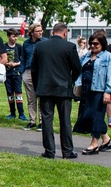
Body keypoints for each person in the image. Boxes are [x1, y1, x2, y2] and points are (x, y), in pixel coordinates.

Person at [31, 22, 82, 159]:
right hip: (63, 88)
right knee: (65, 120)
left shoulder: (40, 46)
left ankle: (49, 150)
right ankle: (67, 151)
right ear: (65, 33)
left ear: (52, 32)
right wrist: (70, 81)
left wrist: (37, 86)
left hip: (45, 88)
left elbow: (34, 69)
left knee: (47, 120)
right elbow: (77, 68)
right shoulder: (69, 47)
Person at [74, 34, 111, 155]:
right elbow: (78, 67)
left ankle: (94, 144)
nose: (93, 46)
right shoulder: (87, 56)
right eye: (91, 43)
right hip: (86, 90)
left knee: (96, 116)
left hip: (99, 90)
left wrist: (108, 92)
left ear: (102, 44)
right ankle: (106, 139)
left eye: (96, 44)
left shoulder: (108, 57)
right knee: (87, 115)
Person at [21, 23, 44, 130]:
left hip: (40, 71)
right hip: (28, 71)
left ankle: (42, 121)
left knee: (41, 97)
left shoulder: (44, 42)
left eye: (41, 30)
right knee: (31, 98)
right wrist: (22, 71)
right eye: (37, 31)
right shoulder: (26, 43)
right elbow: (23, 58)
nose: (40, 32)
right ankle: (32, 120)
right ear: (31, 33)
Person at [3, 29, 26, 121]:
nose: (15, 38)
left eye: (17, 36)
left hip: (17, 74)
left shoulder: (19, 47)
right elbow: (1, 59)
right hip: (7, 74)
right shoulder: (4, 47)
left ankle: (21, 113)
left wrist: (16, 64)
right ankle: (12, 112)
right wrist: (7, 64)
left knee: (18, 93)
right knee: (10, 93)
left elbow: (22, 59)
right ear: (8, 36)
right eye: (13, 36)